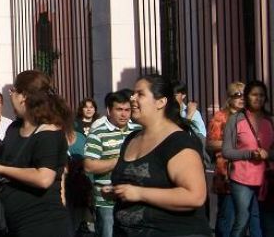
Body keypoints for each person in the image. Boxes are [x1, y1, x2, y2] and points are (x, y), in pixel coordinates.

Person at [108, 74, 210, 236]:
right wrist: (119, 192)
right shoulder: (131, 139)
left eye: (140, 94)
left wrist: (139, 193)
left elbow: (195, 196)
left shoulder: (178, 141)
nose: (132, 98)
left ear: (161, 102)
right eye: (133, 93)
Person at [0, 70, 71, 237]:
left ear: (24, 96)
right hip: (12, 224)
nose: (11, 96)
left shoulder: (49, 132)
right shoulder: (14, 128)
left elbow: (44, 178)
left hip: (43, 224)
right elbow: (12, 162)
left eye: (13, 91)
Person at [223, 80, 274, 236]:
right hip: (242, 178)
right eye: (254, 95)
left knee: (266, 221)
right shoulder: (236, 119)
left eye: (261, 95)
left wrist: (268, 154)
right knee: (242, 219)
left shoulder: (270, 120)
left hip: (266, 178)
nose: (258, 98)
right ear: (247, 97)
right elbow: (227, 151)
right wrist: (250, 154)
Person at [83, 90, 137, 237]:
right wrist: (120, 160)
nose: (124, 114)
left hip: (135, 200)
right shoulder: (97, 134)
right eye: (119, 109)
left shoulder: (139, 131)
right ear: (109, 110)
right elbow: (89, 165)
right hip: (106, 202)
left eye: (127, 110)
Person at [208, 82, 257, 237]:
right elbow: (210, 143)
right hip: (227, 174)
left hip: (250, 173)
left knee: (249, 217)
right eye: (237, 95)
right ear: (230, 98)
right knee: (227, 216)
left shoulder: (251, 116)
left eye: (244, 94)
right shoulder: (221, 117)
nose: (242, 98)